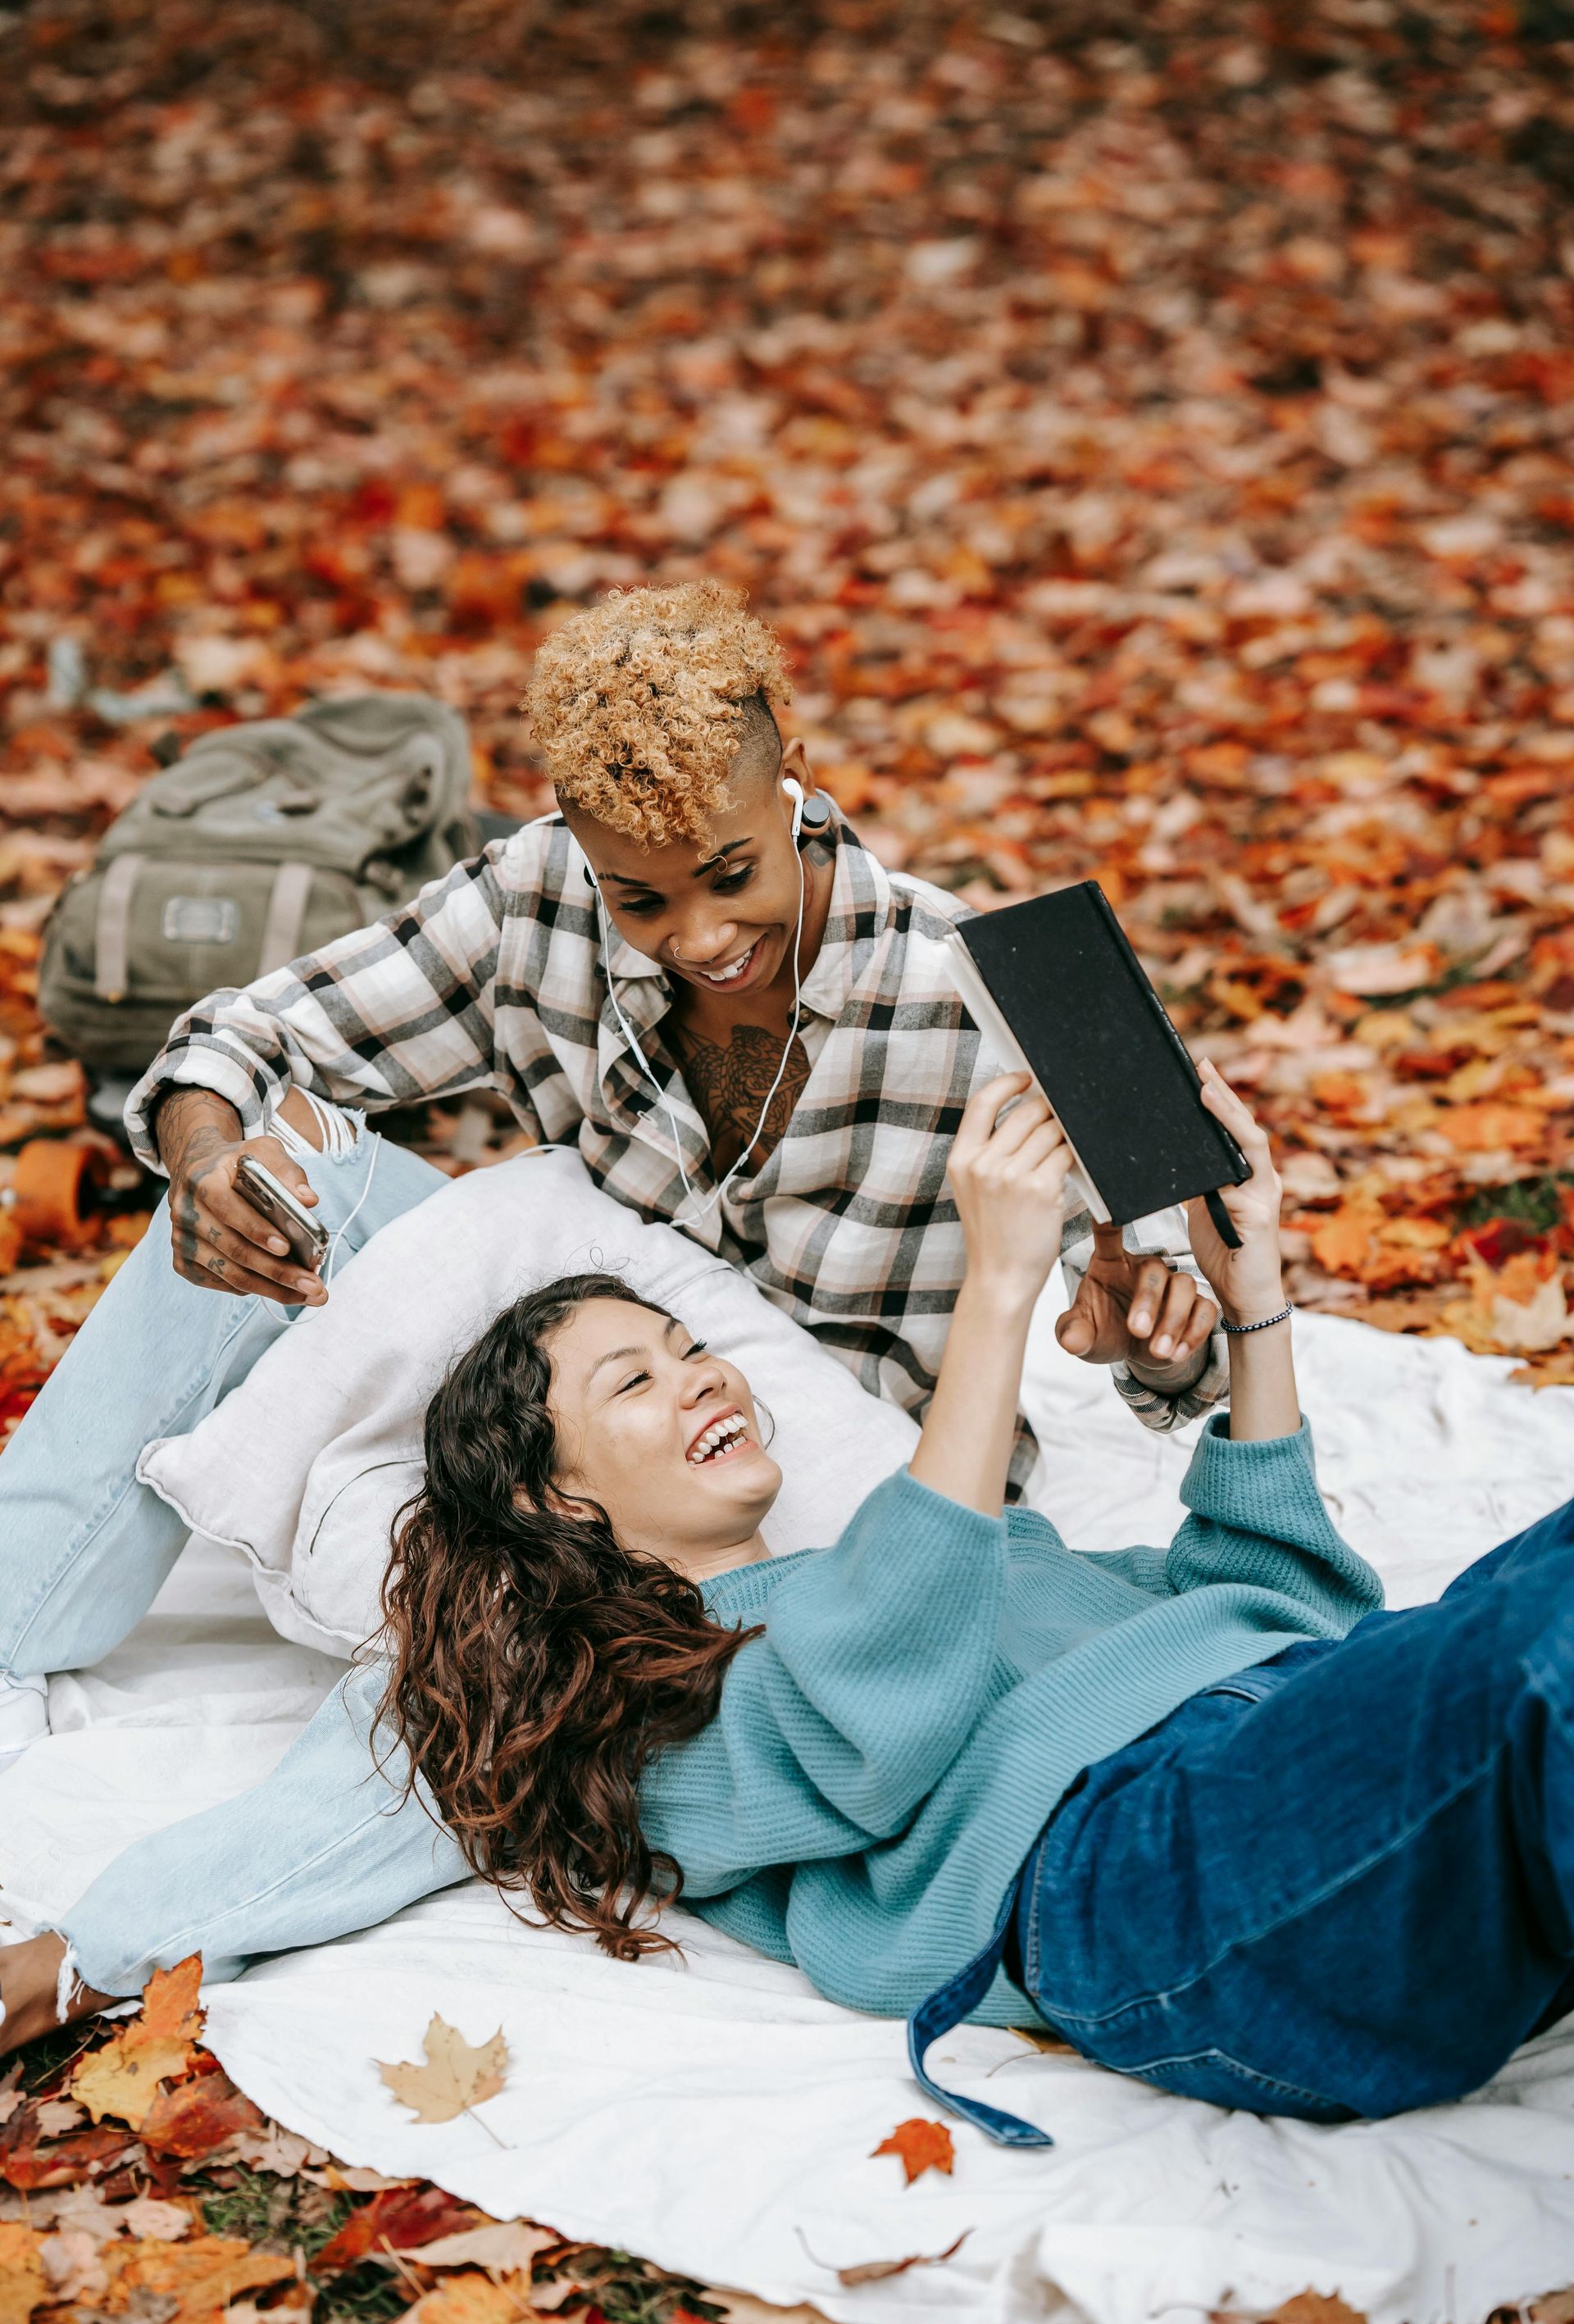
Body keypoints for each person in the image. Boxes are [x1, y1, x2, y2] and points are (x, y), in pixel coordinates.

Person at [4, 1067, 1572, 2144]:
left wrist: (1257, 1301)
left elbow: (1273, 1598)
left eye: (693, 1353)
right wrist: (998, 1293)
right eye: (632, 1377)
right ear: (559, 1501)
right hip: (1154, 1873)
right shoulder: (634, 1689)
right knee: (1538, 1653)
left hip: (1316, 1741)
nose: (698, 1379)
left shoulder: (947, 1557)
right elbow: (868, 1713)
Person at [0, 580, 1226, 1756]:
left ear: (796, 779)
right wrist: (208, 1153)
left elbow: (1190, 1309)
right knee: (282, 1168)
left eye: (732, 874)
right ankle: (14, 1611)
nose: (698, 939)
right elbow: (247, 1037)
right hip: (595, 1414)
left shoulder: (982, 981)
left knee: (481, 1586)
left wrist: (1160, 1332)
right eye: (640, 898)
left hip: (823, 1503)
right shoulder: (537, 895)